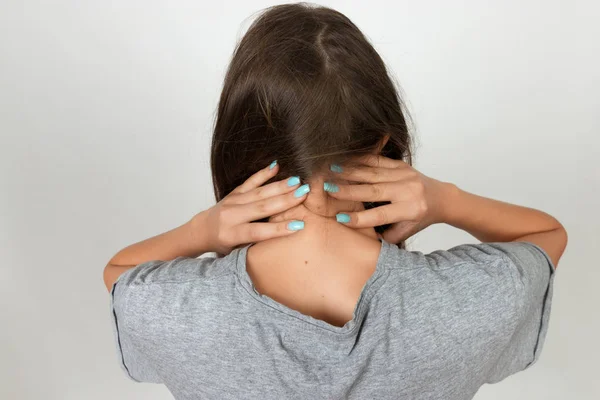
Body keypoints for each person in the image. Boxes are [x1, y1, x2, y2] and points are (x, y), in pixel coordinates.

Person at [103, 3, 567, 399]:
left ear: (242, 150)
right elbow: (547, 236)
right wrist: (445, 200)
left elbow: (119, 275)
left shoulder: (179, 311)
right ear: (383, 143)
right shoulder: (469, 297)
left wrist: (202, 230)